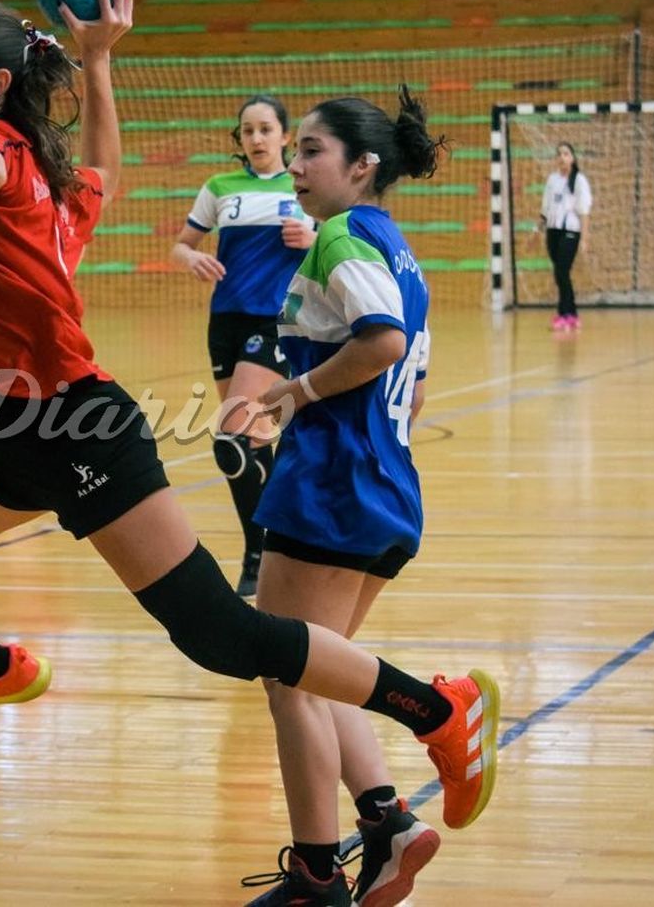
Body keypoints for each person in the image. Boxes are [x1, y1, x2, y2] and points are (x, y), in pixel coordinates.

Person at [0, 0, 498, 895]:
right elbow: (98, 165)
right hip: (0, 436)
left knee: (222, 636)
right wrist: (100, 64)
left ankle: (436, 709)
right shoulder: (49, 194)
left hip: (77, 426)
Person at [238, 87, 445, 906]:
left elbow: (383, 343)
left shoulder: (340, 234)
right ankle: (388, 823)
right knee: (323, 673)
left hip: (332, 489)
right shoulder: (398, 247)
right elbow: (415, 383)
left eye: (311, 150)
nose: (294, 164)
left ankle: (317, 875)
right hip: (386, 488)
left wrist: (295, 396)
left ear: (362, 167)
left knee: (286, 675)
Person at [171, 95, 314, 597]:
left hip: (278, 319)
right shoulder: (220, 188)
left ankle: (260, 552)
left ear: (285, 137)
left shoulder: (303, 187)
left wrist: (312, 236)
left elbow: (342, 236)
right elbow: (182, 242)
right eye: (248, 131)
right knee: (250, 444)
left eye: (266, 129)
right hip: (225, 321)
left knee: (231, 437)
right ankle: (275, 544)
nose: (256, 139)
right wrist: (190, 257)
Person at [538, 142, 591, 332]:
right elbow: (545, 208)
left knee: (561, 270)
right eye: (559, 154)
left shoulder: (579, 180)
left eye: (566, 153)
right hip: (553, 231)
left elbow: (584, 211)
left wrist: (584, 238)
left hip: (571, 231)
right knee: (560, 274)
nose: (562, 157)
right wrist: (537, 231)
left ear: (573, 158)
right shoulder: (552, 180)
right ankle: (572, 314)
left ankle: (564, 313)